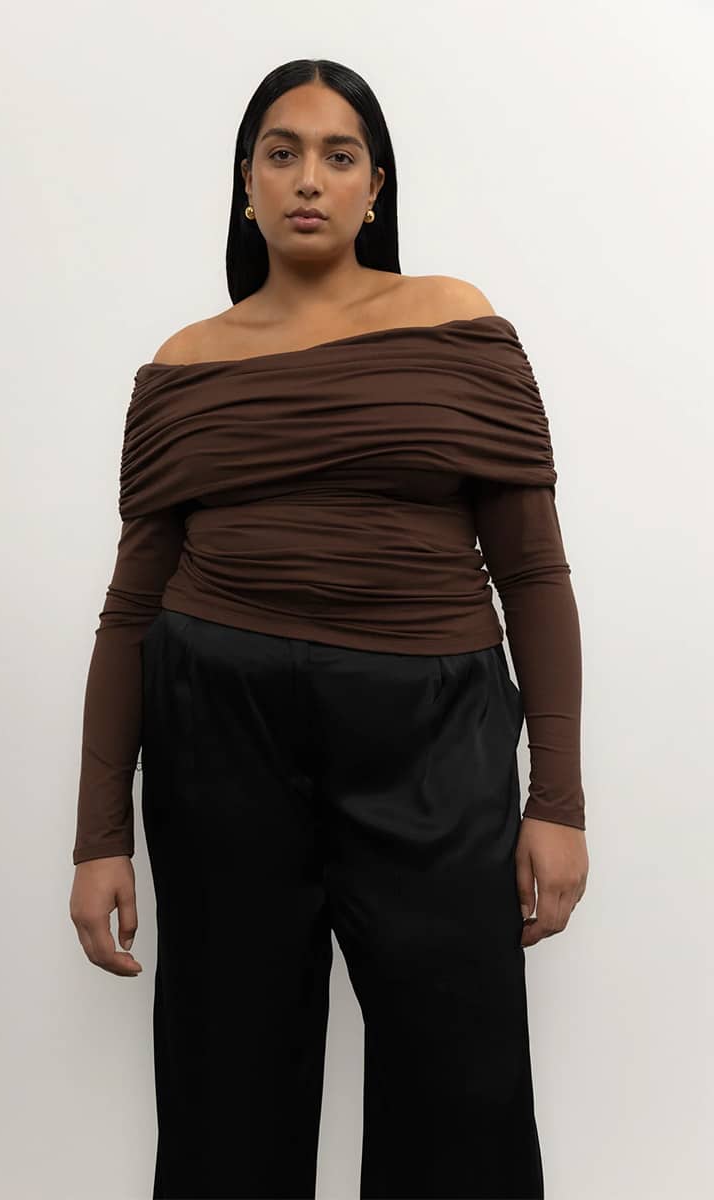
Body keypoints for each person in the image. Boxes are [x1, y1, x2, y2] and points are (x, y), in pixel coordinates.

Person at [69, 57, 589, 1200]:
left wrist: (555, 801)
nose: (308, 178)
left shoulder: (453, 322)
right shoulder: (180, 366)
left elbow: (532, 575)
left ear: (373, 188)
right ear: (245, 184)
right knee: (224, 1087)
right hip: (218, 738)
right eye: (282, 152)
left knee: (460, 1089)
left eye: (338, 155)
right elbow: (129, 610)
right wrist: (98, 835)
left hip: (431, 737)